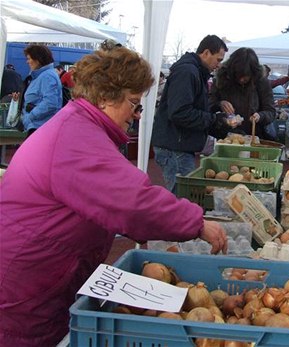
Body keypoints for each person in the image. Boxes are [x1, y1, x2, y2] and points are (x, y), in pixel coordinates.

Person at [0, 47, 228, 347]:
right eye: (134, 104)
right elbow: (132, 202)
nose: (136, 115)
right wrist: (196, 223)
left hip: (43, 273)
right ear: (106, 97)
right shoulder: (76, 138)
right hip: (27, 284)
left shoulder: (79, 127)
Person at [151, 35, 229, 193]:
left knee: (184, 196)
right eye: (218, 60)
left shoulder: (194, 72)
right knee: (183, 197)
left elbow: (189, 108)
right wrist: (213, 119)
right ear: (206, 53)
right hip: (175, 147)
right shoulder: (188, 72)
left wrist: (215, 115)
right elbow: (180, 112)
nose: (219, 65)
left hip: (178, 145)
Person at [210, 48, 276, 141]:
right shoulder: (221, 80)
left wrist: (260, 116)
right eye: (238, 75)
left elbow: (271, 111)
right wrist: (219, 104)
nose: (241, 80)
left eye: (246, 77)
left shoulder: (261, 82)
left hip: (255, 137)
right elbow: (209, 106)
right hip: (225, 138)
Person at [11, 45, 62, 136]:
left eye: (29, 58)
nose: (27, 62)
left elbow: (50, 103)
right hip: (37, 127)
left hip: (41, 128)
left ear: (38, 59)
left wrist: (30, 117)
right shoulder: (41, 76)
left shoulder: (47, 76)